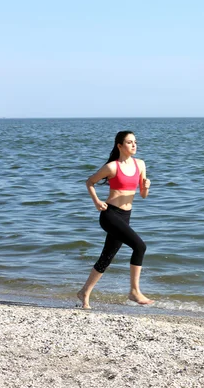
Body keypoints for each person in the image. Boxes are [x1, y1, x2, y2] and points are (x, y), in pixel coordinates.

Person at [77, 130, 154, 309]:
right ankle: (134, 291)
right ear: (120, 146)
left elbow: (142, 195)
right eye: (129, 142)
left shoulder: (140, 164)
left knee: (107, 257)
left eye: (135, 142)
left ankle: (84, 292)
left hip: (125, 216)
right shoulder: (112, 167)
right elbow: (89, 182)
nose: (134, 145)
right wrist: (97, 201)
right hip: (110, 215)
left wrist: (147, 187)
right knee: (140, 246)